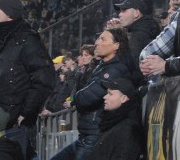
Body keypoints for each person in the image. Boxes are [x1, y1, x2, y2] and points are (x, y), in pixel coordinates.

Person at [0, 0, 55, 157]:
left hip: (16, 122)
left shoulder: (28, 40)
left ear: (9, 13)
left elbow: (45, 79)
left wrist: (25, 112)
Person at [53, 28, 131, 160]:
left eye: (103, 39)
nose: (96, 42)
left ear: (116, 45)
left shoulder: (115, 69)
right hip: (85, 136)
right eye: (98, 38)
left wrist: (76, 98)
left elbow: (86, 98)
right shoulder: (101, 66)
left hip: (95, 135)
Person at [88, 77, 145, 160]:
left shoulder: (128, 128)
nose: (105, 97)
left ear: (124, 98)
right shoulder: (112, 122)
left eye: (110, 94)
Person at [113, 0, 160, 64]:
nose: (119, 14)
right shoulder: (145, 28)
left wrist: (116, 33)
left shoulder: (139, 34)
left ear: (136, 13)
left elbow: (131, 65)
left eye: (124, 10)